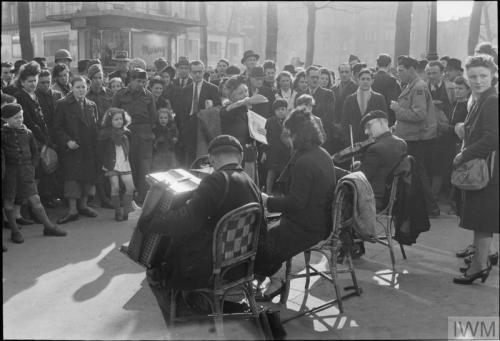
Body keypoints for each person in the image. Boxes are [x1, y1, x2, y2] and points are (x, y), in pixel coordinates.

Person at [140, 134, 263, 294]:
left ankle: (182, 309)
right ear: (240, 157)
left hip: (210, 266)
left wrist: (150, 222)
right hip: (240, 263)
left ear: (211, 160)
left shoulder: (216, 180)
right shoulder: (251, 182)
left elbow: (187, 220)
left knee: (155, 270)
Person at [255, 109, 336, 300]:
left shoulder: (305, 161)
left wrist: (267, 200)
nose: (287, 139)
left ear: (298, 135)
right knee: (264, 232)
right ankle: (263, 276)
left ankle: (276, 281)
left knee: (258, 241)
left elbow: (296, 203)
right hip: (319, 221)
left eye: (289, 134)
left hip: (307, 226)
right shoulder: (321, 153)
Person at [452, 54, 498, 285]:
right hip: (484, 169)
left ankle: (480, 265)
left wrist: (463, 154)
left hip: (487, 172)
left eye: (483, 76)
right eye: (473, 76)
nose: (478, 80)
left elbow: (492, 139)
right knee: (482, 220)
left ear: (493, 76)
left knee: (482, 221)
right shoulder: (482, 98)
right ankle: (481, 261)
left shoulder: (491, 101)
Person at [2, 103, 67, 243]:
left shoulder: (28, 133)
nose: (19, 120)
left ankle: (48, 227)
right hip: (9, 174)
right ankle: (15, 230)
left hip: (26, 172)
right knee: (8, 202)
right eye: (15, 118)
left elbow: (35, 152)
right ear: (5, 119)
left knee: (35, 200)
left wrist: (32, 167)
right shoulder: (2, 135)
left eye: (21, 117)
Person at [391, 55, 440, 217]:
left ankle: (431, 208)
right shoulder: (412, 85)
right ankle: (424, 207)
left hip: (416, 139)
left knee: (418, 172)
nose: (398, 73)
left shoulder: (418, 87)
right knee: (416, 172)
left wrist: (398, 110)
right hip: (410, 137)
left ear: (411, 70)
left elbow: (419, 115)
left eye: (401, 70)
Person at [54, 75, 99, 224]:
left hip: (88, 148)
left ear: (87, 88)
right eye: (77, 87)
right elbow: (57, 128)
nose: (81, 90)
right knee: (72, 180)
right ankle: (72, 211)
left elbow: (95, 126)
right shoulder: (63, 104)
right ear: (72, 88)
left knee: (87, 177)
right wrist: (67, 141)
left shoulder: (91, 104)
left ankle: (84, 206)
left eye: (83, 87)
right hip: (72, 148)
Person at [112, 68, 157, 205]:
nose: (142, 84)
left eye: (144, 81)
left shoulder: (149, 96)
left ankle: (142, 199)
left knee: (144, 167)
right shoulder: (120, 95)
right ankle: (126, 198)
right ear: (131, 80)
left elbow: (153, 117)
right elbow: (113, 115)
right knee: (126, 166)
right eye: (139, 81)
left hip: (144, 136)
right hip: (126, 134)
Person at [357, 110, 407, 210]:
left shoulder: (374, 149)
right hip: (397, 198)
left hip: (376, 199)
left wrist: (354, 170)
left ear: (381, 123)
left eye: (368, 126)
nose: (366, 132)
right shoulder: (402, 143)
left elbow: (362, 178)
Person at [177, 60, 221, 167]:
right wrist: (183, 127)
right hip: (189, 127)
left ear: (204, 72)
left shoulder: (212, 89)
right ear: (190, 73)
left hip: (204, 126)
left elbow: (218, 108)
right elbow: (181, 111)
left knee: (203, 158)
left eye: (200, 72)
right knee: (189, 158)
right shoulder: (185, 90)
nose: (197, 74)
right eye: (194, 72)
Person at [220, 75, 263, 183]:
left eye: (246, 91)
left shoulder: (247, 111)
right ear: (231, 96)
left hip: (249, 156)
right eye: (240, 93)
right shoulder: (226, 111)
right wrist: (243, 102)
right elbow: (228, 110)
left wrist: (261, 134)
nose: (245, 95)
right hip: (234, 157)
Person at [97, 108, 135, 221]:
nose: (119, 121)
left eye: (121, 119)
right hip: (111, 163)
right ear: (110, 120)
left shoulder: (127, 132)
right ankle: (117, 212)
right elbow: (100, 150)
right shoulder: (105, 134)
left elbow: (131, 148)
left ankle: (126, 211)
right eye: (116, 119)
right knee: (115, 187)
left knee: (130, 187)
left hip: (124, 162)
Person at [86, 63, 114, 209]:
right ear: (89, 79)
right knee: (98, 167)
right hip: (94, 137)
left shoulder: (109, 93)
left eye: (100, 77)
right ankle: (102, 197)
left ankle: (110, 195)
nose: (98, 80)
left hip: (109, 135)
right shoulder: (86, 95)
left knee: (109, 165)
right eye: (94, 78)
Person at [426, 60, 453, 203]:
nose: (431, 76)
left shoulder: (451, 88)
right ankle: (430, 195)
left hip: (446, 134)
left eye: (434, 73)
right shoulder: (423, 88)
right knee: (429, 164)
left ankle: (436, 196)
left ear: (442, 73)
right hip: (428, 134)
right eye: (429, 73)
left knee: (441, 166)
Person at [341, 68, 388, 144]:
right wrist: (347, 139)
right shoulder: (350, 99)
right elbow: (344, 122)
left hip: (374, 140)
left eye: (368, 79)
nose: (365, 81)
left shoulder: (379, 98)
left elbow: (384, 121)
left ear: (372, 81)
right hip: (354, 141)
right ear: (358, 80)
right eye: (363, 79)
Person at [305, 66, 336, 154]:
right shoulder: (300, 94)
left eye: (317, 77)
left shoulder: (328, 94)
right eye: (312, 77)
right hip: (305, 138)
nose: (315, 80)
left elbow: (329, 117)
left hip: (322, 137)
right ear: (307, 78)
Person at [265, 99, 291, 194]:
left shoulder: (290, 122)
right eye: (278, 109)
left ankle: (284, 194)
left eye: (283, 109)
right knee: (271, 174)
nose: (280, 111)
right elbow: (265, 137)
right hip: (273, 151)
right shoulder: (269, 121)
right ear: (274, 111)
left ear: (286, 110)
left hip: (286, 152)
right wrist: (264, 151)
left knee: (285, 175)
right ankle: (268, 193)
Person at [372, 54, 401, 126]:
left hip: (372, 115)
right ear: (389, 64)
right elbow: (392, 100)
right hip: (386, 116)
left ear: (377, 64)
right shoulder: (391, 79)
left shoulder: (371, 78)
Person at [152, 107, 179, 172]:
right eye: (161, 118)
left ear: (168, 119)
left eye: (165, 118)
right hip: (159, 155)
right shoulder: (155, 128)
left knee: (170, 171)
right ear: (158, 119)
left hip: (170, 154)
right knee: (159, 171)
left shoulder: (172, 128)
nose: (163, 120)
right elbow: (154, 142)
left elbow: (176, 136)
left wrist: (175, 138)